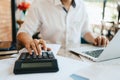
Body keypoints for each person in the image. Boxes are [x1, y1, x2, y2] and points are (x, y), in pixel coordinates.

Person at [17, 0, 109, 55]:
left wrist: (95, 39)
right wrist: (30, 42)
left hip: (77, 57)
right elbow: (23, 32)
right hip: (51, 56)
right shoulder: (39, 4)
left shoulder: (82, 5)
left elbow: (85, 31)